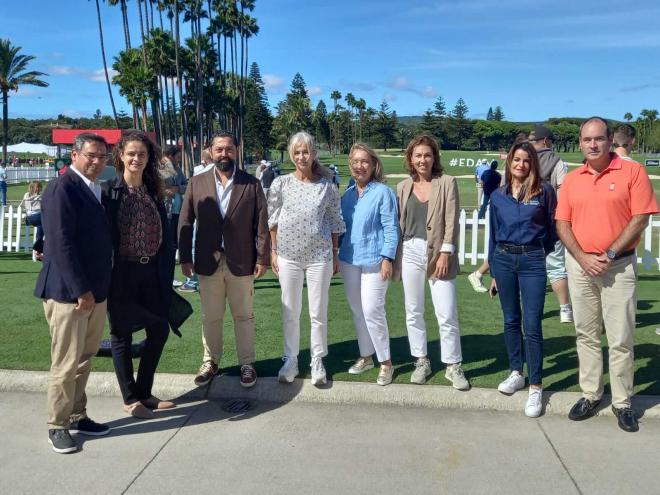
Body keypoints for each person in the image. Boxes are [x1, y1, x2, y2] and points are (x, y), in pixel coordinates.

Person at [556, 117, 658, 432]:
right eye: (587, 140)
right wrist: (584, 257)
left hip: (619, 265)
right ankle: (591, 393)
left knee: (621, 337)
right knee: (586, 334)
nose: (593, 145)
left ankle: (622, 402)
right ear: (581, 142)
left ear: (610, 139)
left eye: (599, 139)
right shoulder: (573, 179)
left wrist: (609, 254)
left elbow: (640, 218)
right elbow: (562, 223)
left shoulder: (632, 171)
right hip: (581, 266)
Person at [34, 132, 113, 454]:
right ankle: (58, 424)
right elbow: (60, 244)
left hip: (95, 291)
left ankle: (77, 415)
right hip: (69, 293)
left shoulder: (95, 189)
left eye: (102, 157)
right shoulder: (61, 189)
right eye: (91, 155)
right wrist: (81, 289)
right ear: (75, 155)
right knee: (66, 362)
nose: (96, 161)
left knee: (84, 358)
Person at [179, 131, 270, 389]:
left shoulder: (251, 184)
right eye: (219, 149)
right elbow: (185, 222)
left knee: (244, 316)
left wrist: (262, 257)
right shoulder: (197, 183)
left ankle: (247, 364)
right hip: (207, 262)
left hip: (241, 261)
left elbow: (261, 225)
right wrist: (185, 257)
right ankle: (210, 362)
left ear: (236, 150)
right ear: (210, 151)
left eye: (229, 149)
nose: (224, 154)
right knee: (211, 316)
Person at [102, 131, 177, 420]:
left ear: (149, 158)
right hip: (122, 271)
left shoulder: (152, 191)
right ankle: (131, 399)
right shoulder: (109, 191)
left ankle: (145, 392)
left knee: (159, 329)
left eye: (142, 154)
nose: (136, 158)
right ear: (120, 155)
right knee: (121, 334)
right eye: (131, 153)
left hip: (152, 270)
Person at [268, 131, 345, 386]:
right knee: (290, 311)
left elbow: (335, 222)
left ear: (314, 154)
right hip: (288, 256)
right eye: (297, 152)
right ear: (292, 154)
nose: (302, 156)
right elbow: (273, 220)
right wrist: (273, 250)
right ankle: (290, 359)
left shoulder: (327, 185)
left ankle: (317, 359)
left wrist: (334, 254)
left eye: (306, 151)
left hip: (319, 257)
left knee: (317, 312)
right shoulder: (281, 184)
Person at [394, 135, 469, 390]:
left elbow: (451, 221)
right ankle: (421, 360)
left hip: (438, 252)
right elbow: (400, 225)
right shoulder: (403, 186)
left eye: (427, 155)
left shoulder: (447, 182)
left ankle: (452, 364)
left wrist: (446, 253)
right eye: (417, 156)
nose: (422, 160)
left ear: (434, 157)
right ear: (410, 159)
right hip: (410, 251)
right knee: (413, 310)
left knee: (446, 311)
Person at [488, 140, 557, 418]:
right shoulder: (497, 195)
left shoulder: (545, 192)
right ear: (509, 162)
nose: (521, 165)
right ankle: (517, 371)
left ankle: (536, 385)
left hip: (531, 261)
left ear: (533, 164)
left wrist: (537, 251)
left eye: (526, 160)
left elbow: (553, 229)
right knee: (510, 320)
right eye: (516, 160)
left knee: (532, 324)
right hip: (503, 259)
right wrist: (493, 271)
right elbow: (492, 235)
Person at [339, 143, 399, 386]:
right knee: (357, 311)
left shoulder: (383, 192)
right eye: (355, 161)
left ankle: (386, 362)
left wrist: (388, 258)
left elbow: (391, 228)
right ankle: (367, 356)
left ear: (374, 165)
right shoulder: (348, 193)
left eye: (364, 161)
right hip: (349, 259)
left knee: (373, 310)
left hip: (375, 260)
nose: (359, 166)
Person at [528, 125, 573, 323]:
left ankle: (531, 310)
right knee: (556, 268)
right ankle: (565, 309)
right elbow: (563, 195)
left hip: (526, 223)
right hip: (550, 222)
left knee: (528, 268)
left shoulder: (522, 159)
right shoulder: (557, 162)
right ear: (546, 141)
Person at [159, 145, 188, 275]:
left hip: (177, 210)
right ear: (170, 156)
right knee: (167, 244)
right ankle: (165, 275)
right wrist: (168, 190)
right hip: (165, 211)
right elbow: (159, 188)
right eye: (177, 157)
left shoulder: (177, 169)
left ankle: (170, 276)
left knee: (174, 243)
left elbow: (186, 185)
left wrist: (177, 188)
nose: (179, 159)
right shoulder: (158, 168)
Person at [20, 181, 44, 250]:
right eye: (38, 187)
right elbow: (24, 204)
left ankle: (38, 243)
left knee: (41, 224)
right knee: (44, 218)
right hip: (31, 218)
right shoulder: (27, 195)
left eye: (40, 187)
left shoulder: (41, 195)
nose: (39, 188)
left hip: (38, 217)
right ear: (32, 187)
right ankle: (39, 241)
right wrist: (37, 196)